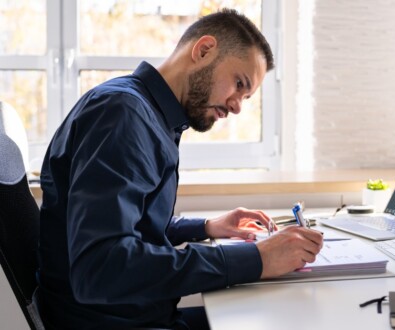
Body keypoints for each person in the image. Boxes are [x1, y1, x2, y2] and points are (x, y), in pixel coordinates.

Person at [37, 9, 324, 330]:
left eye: (246, 97)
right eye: (239, 84)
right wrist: (257, 259)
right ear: (203, 50)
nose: (237, 106)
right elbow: (101, 268)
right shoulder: (123, 116)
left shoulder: (147, 113)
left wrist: (206, 226)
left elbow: (131, 224)